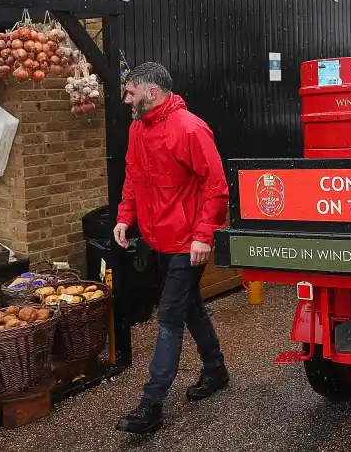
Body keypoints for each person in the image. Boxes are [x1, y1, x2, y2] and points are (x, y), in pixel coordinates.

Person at [113, 62, 230, 436]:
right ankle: (215, 370)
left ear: (152, 92)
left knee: (168, 317)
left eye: (130, 93)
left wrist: (203, 235)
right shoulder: (136, 129)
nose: (125, 99)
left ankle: (152, 404)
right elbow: (133, 175)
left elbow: (216, 185)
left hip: (185, 242)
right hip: (156, 236)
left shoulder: (190, 128)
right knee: (189, 306)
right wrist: (124, 217)